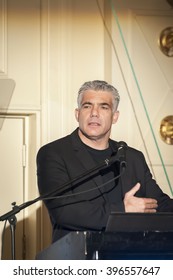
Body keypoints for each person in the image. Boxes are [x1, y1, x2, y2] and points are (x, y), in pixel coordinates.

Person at [36, 80, 173, 244]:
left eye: (103, 107)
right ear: (77, 114)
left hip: (131, 255)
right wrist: (123, 210)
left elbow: (160, 204)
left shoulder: (132, 157)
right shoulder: (54, 153)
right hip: (79, 259)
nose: (94, 113)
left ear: (115, 117)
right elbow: (63, 211)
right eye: (87, 106)